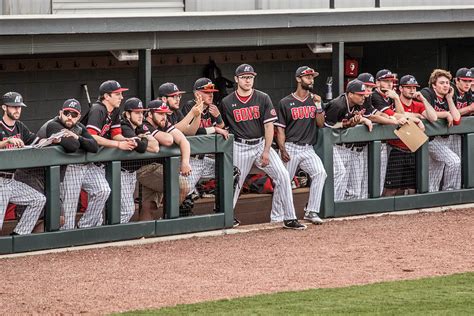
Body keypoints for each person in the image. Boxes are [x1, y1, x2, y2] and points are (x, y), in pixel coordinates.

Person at [220, 63, 306, 230]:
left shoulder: (262, 97)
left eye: (250, 77)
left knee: (283, 175)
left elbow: (269, 127)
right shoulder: (227, 102)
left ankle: (290, 217)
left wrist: (266, 151)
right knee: (234, 182)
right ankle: (226, 217)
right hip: (240, 146)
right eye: (244, 77)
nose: (248, 80)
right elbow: (224, 128)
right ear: (236, 79)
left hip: (260, 143)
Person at [37, 98, 109, 229]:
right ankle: (65, 242)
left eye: (74, 114)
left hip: (71, 169)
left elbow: (94, 146)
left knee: (103, 190)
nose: (69, 117)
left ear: (79, 117)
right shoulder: (54, 124)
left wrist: (76, 136)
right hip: (39, 175)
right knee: (66, 214)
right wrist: (77, 140)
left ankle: (85, 227)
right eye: (66, 113)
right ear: (60, 113)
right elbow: (72, 146)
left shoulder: (78, 127)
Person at [274, 66, 327, 224]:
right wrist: (282, 148)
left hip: (308, 148)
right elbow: (280, 130)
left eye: (312, 77)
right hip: (290, 146)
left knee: (320, 173)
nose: (311, 79)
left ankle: (311, 211)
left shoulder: (315, 99)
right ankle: (276, 216)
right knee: (283, 182)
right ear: (298, 79)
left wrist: (318, 106)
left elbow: (321, 124)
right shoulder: (285, 102)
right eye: (307, 77)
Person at [85, 80, 138, 223]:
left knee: (102, 194)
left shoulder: (114, 111)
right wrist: (118, 145)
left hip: (93, 163)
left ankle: (89, 228)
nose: (121, 97)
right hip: (77, 161)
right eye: (117, 94)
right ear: (106, 96)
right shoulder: (98, 109)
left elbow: (116, 135)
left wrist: (128, 140)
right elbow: (92, 137)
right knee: (70, 207)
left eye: (121, 94)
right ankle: (84, 228)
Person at [137, 100, 192, 221]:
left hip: (157, 168)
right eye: (160, 113)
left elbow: (184, 141)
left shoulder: (163, 123)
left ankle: (143, 235)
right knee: (181, 185)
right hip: (144, 169)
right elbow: (168, 140)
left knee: (148, 206)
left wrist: (185, 162)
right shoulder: (144, 124)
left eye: (165, 114)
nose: (164, 117)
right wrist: (170, 134)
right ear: (150, 114)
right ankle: (167, 219)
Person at [0, 92, 46, 235]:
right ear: (4, 107)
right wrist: (7, 141)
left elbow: (36, 141)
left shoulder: (20, 126)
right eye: (13, 106)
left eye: (19, 107)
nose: (17, 110)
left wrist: (52, 140)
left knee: (38, 199)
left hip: (11, 182)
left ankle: (19, 235)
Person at [384, 75, 437, 196]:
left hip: (413, 150)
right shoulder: (392, 103)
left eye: (414, 87)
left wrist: (423, 99)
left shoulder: (418, 105)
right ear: (401, 89)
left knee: (410, 188)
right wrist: (416, 117)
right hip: (395, 150)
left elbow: (433, 117)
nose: (412, 90)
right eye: (408, 87)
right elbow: (398, 114)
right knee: (392, 188)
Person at [324, 79, 373, 201]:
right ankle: (325, 205)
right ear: (350, 94)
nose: (363, 98)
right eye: (360, 95)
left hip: (347, 148)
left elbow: (356, 117)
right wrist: (346, 124)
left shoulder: (357, 104)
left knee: (351, 189)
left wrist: (362, 120)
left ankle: (340, 213)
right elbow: (325, 127)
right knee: (338, 174)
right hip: (331, 146)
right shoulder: (338, 105)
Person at [180, 78, 229, 197]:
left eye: (212, 92)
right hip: (191, 160)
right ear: (197, 93)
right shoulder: (190, 106)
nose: (211, 95)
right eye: (207, 92)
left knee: (232, 173)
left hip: (204, 159)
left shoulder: (211, 107)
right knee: (184, 195)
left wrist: (218, 117)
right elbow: (192, 132)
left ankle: (220, 207)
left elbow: (222, 128)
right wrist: (214, 129)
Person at [420, 69, 461, 192]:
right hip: (430, 139)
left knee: (435, 173)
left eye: (447, 83)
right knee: (454, 161)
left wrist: (449, 99)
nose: (445, 85)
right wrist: (445, 114)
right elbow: (429, 115)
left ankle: (431, 198)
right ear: (434, 85)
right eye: (442, 83)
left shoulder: (449, 97)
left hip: (444, 139)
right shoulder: (427, 93)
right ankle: (449, 190)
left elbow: (457, 119)